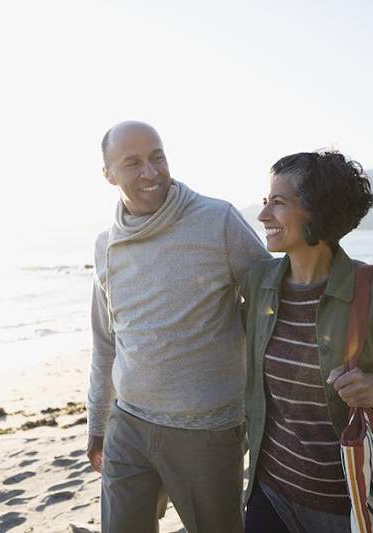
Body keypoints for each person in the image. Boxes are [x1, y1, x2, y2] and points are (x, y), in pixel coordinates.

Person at [241, 151, 373, 532]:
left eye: (278, 202)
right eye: (264, 202)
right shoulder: (258, 283)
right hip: (269, 490)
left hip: (351, 502)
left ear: (317, 212)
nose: (263, 216)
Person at [87, 121, 270, 533]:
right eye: (133, 163)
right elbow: (104, 343)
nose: (151, 172)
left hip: (206, 431)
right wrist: (98, 423)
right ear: (109, 175)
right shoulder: (105, 245)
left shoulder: (216, 220)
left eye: (157, 157)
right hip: (128, 425)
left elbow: (271, 299)